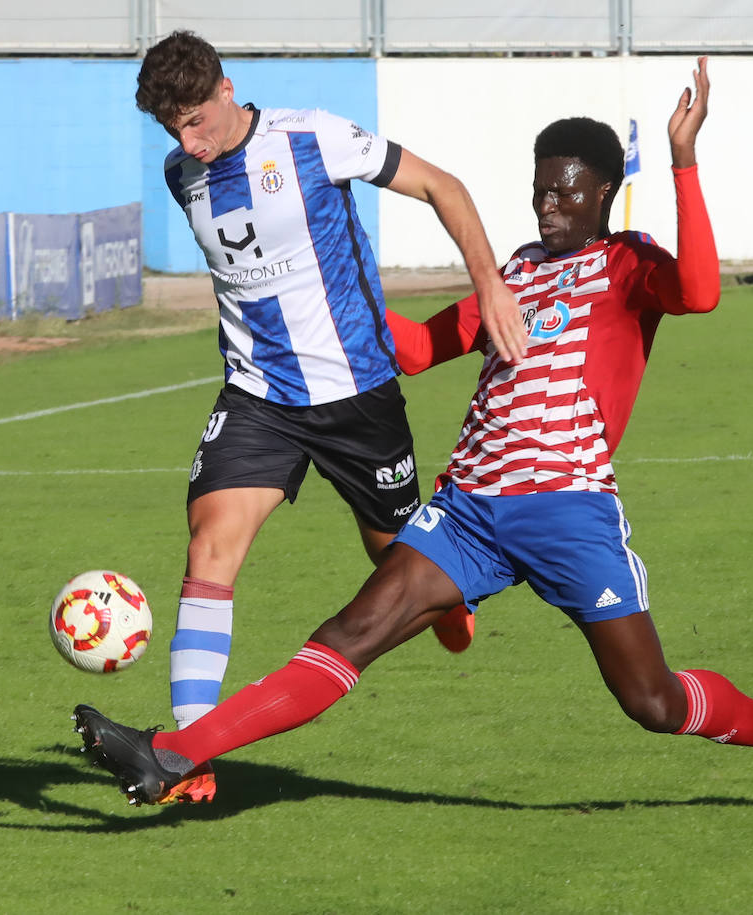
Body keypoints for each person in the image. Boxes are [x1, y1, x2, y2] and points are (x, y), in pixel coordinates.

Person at [75, 57, 753, 809]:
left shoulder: (625, 266)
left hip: (567, 508)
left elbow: (703, 292)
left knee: (650, 698)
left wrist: (684, 159)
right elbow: (417, 348)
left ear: (605, 193)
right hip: (469, 510)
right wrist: (315, 285)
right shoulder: (512, 270)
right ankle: (179, 750)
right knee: (350, 632)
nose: (547, 206)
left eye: (565, 193)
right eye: (539, 190)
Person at [128, 31, 525, 803]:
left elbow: (444, 186)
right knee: (210, 544)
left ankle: (450, 607)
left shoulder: (315, 136)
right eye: (172, 129)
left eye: (195, 122)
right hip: (258, 397)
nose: (186, 142)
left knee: (404, 572)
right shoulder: (185, 175)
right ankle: (189, 752)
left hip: (357, 396)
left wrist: (491, 284)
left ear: (225, 88)